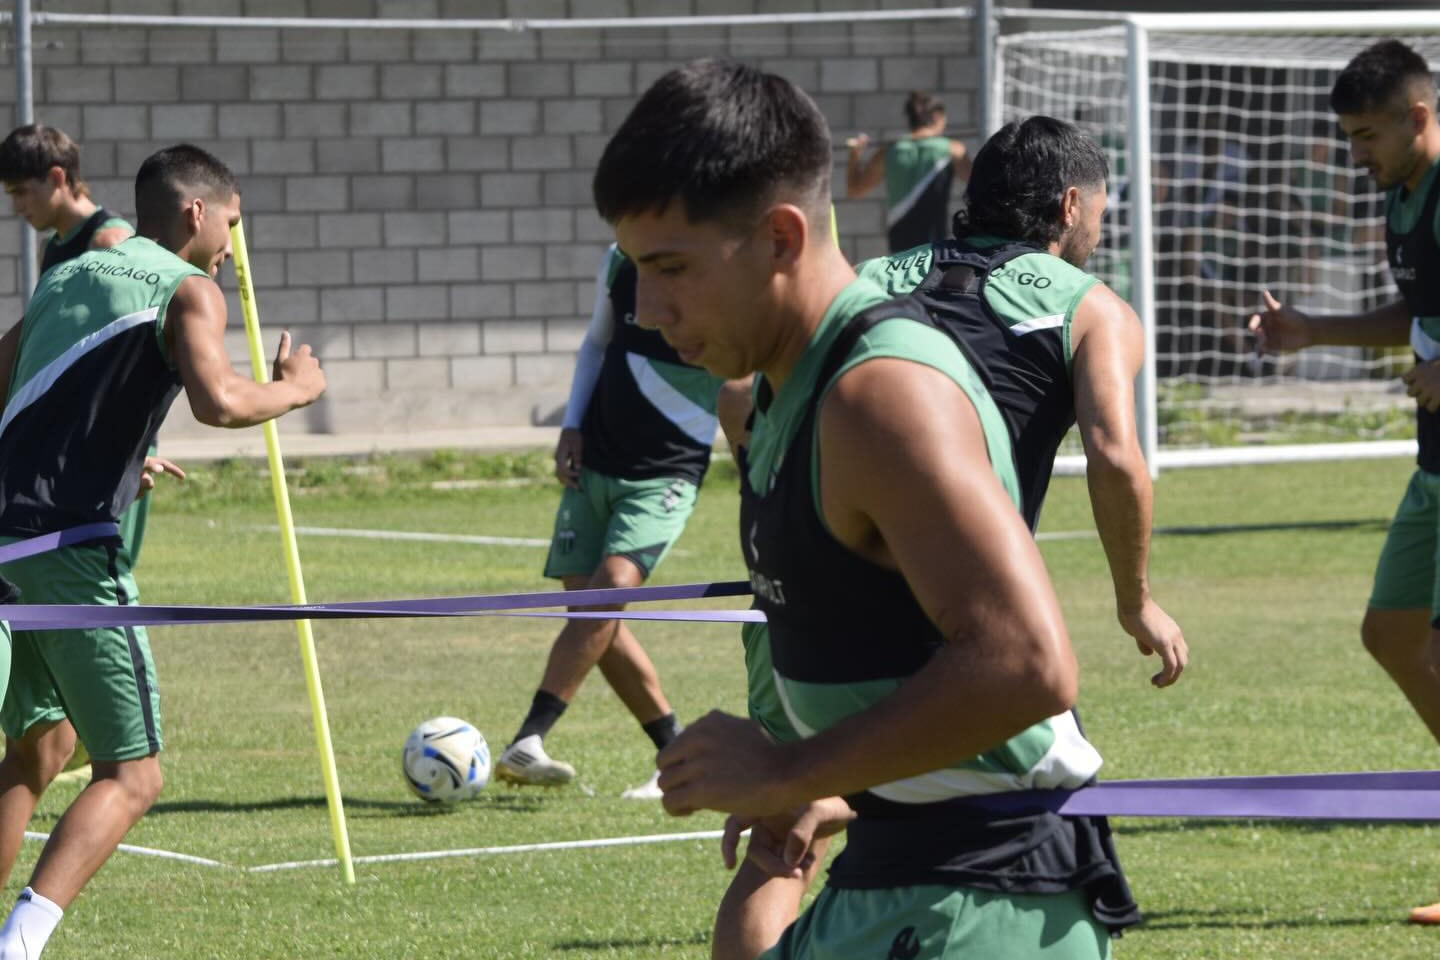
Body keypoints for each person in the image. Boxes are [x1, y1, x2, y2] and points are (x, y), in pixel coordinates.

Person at [595, 58, 1138, 959]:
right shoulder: (775, 395)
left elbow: (1027, 663)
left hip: (985, 899)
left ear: (778, 236)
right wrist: (826, 781)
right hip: (897, 864)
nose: (648, 311)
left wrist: (791, 767)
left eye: (671, 268)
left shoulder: (878, 394)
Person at [0, 143, 326, 958]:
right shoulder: (191, 288)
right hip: (69, 546)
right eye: (232, 225)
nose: (231, 245)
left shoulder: (69, 274)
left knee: (41, 745)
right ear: (196, 213)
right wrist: (297, 389)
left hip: (5, 538)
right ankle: (22, 944)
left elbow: (14, 376)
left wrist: (104, 447)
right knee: (133, 775)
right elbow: (218, 401)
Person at [857, 115, 1188, 684]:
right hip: (958, 616)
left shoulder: (867, 278)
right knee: (1051, 769)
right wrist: (1135, 602)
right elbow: (1113, 456)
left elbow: (755, 401)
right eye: (1100, 217)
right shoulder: (1093, 310)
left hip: (808, 616)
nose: (1099, 235)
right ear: (1070, 205)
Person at [1247, 38, 1440, 925]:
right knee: (1392, 634)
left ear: (1418, 117)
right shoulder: (1407, 198)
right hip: (1433, 464)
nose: (1356, 154)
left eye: (1367, 136)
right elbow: (1418, 315)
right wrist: (1314, 332)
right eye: (1350, 138)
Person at [494, 243, 730, 798]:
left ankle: (529, 737)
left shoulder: (720, 265)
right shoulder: (619, 261)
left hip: (668, 471)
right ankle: (676, 753)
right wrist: (571, 425)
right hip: (594, 459)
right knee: (595, 617)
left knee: (611, 592)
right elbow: (598, 342)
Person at [0, 124, 182, 791]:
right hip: (54, 472)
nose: (16, 208)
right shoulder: (59, 251)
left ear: (57, 178)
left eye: (20, 193)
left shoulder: (109, 247)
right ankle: (62, 735)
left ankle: (80, 735)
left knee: (83, 601)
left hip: (94, 475)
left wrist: (136, 460)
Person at [845, 90, 970, 253]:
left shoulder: (888, 152)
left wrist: (854, 155)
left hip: (899, 251)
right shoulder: (953, 149)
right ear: (937, 117)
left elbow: (855, 190)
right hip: (935, 251)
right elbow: (980, 184)